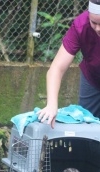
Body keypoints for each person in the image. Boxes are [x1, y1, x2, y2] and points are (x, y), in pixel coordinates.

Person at [37, 0, 100, 128]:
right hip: (92, 77)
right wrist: (51, 105)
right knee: (86, 127)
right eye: (94, 23)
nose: (98, 28)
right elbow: (56, 68)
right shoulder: (80, 25)